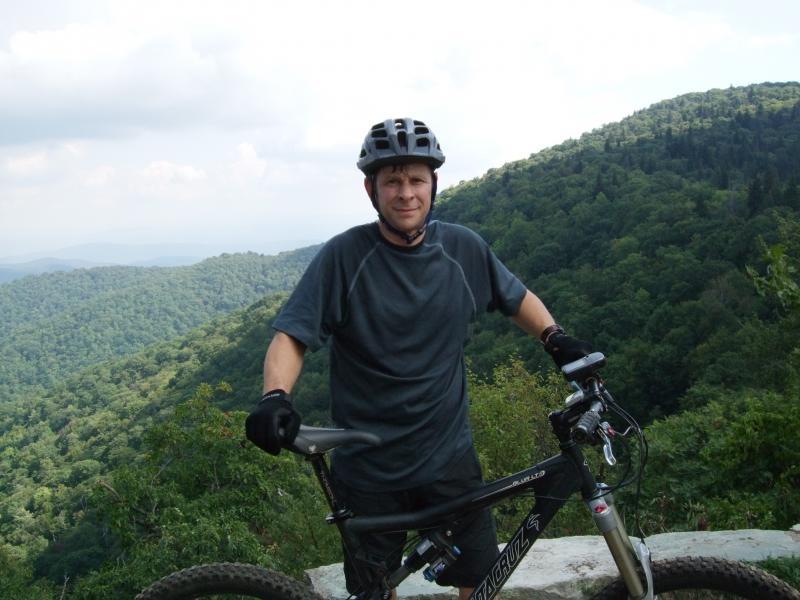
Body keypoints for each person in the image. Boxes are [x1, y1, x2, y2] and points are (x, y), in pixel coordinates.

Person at [246, 117, 592, 599]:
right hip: (369, 472)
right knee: (375, 593)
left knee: (479, 585)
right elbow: (292, 336)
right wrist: (275, 396)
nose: (405, 193)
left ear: (434, 185)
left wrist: (556, 339)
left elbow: (516, 298)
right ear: (372, 189)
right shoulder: (345, 257)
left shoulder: (462, 248)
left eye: (415, 180)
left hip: (450, 463)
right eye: (392, 181)